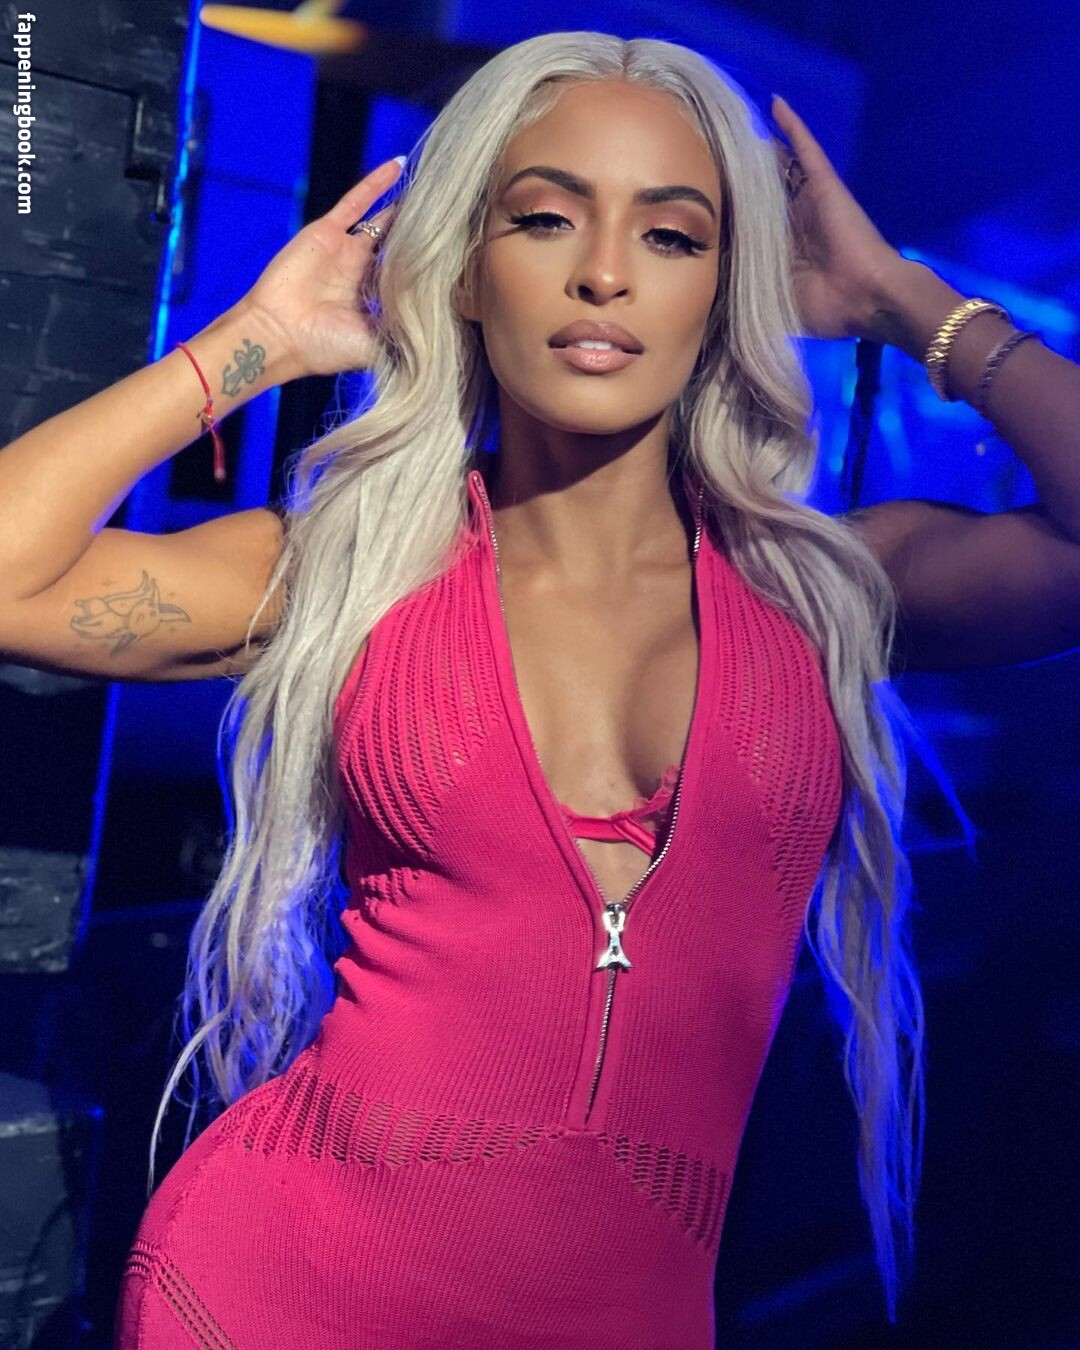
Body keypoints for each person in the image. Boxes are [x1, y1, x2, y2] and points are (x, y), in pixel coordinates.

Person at [1, 29, 1078, 1350]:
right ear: (465, 267)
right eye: (546, 218)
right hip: (284, 1289)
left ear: (725, 290)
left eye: (672, 236)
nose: (604, 272)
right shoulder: (353, 569)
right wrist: (257, 340)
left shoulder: (826, 590)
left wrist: (906, 297)